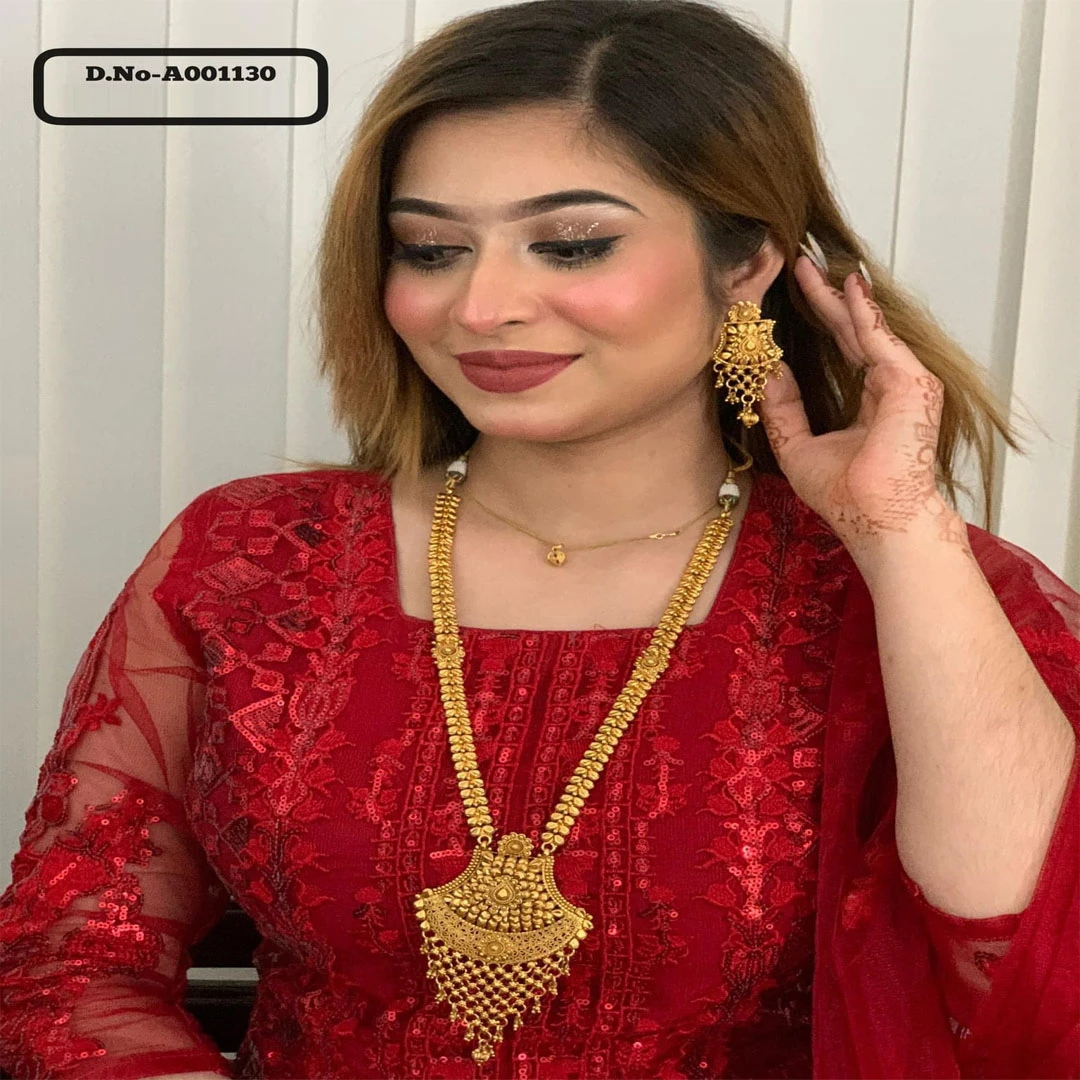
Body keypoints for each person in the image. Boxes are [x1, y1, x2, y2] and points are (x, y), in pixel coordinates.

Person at [1, 1, 1077, 1077]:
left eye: (570, 245)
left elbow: (1030, 980)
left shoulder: (911, 590)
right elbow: (71, 965)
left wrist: (899, 529)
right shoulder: (253, 560)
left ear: (746, 263)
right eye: (432, 249)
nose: (481, 306)